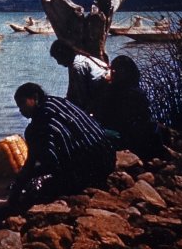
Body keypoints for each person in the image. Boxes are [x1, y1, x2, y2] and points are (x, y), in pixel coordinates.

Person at [7, 82, 115, 210]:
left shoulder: (39, 124)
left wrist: (18, 187)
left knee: (36, 186)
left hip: (92, 169)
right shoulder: (58, 102)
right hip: (108, 157)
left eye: (22, 104)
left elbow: (43, 164)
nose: (21, 111)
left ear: (35, 97)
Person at [99, 55, 165, 159]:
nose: (113, 74)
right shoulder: (136, 92)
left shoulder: (113, 92)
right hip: (136, 136)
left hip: (122, 137)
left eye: (115, 71)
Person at [48, 40, 110, 115]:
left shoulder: (77, 66)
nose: (58, 63)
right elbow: (71, 93)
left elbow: (82, 98)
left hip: (104, 96)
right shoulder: (76, 61)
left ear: (64, 54)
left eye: (58, 59)